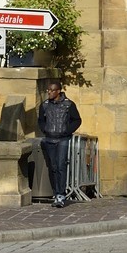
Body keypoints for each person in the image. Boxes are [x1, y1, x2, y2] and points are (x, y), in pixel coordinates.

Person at [37, 80, 82, 208]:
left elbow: (77, 120)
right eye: (48, 90)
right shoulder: (44, 105)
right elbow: (41, 120)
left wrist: (67, 131)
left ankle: (61, 194)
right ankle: (55, 193)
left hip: (63, 139)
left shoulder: (68, 105)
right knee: (53, 166)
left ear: (58, 91)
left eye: (52, 90)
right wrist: (45, 129)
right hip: (49, 139)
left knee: (61, 166)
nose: (49, 92)